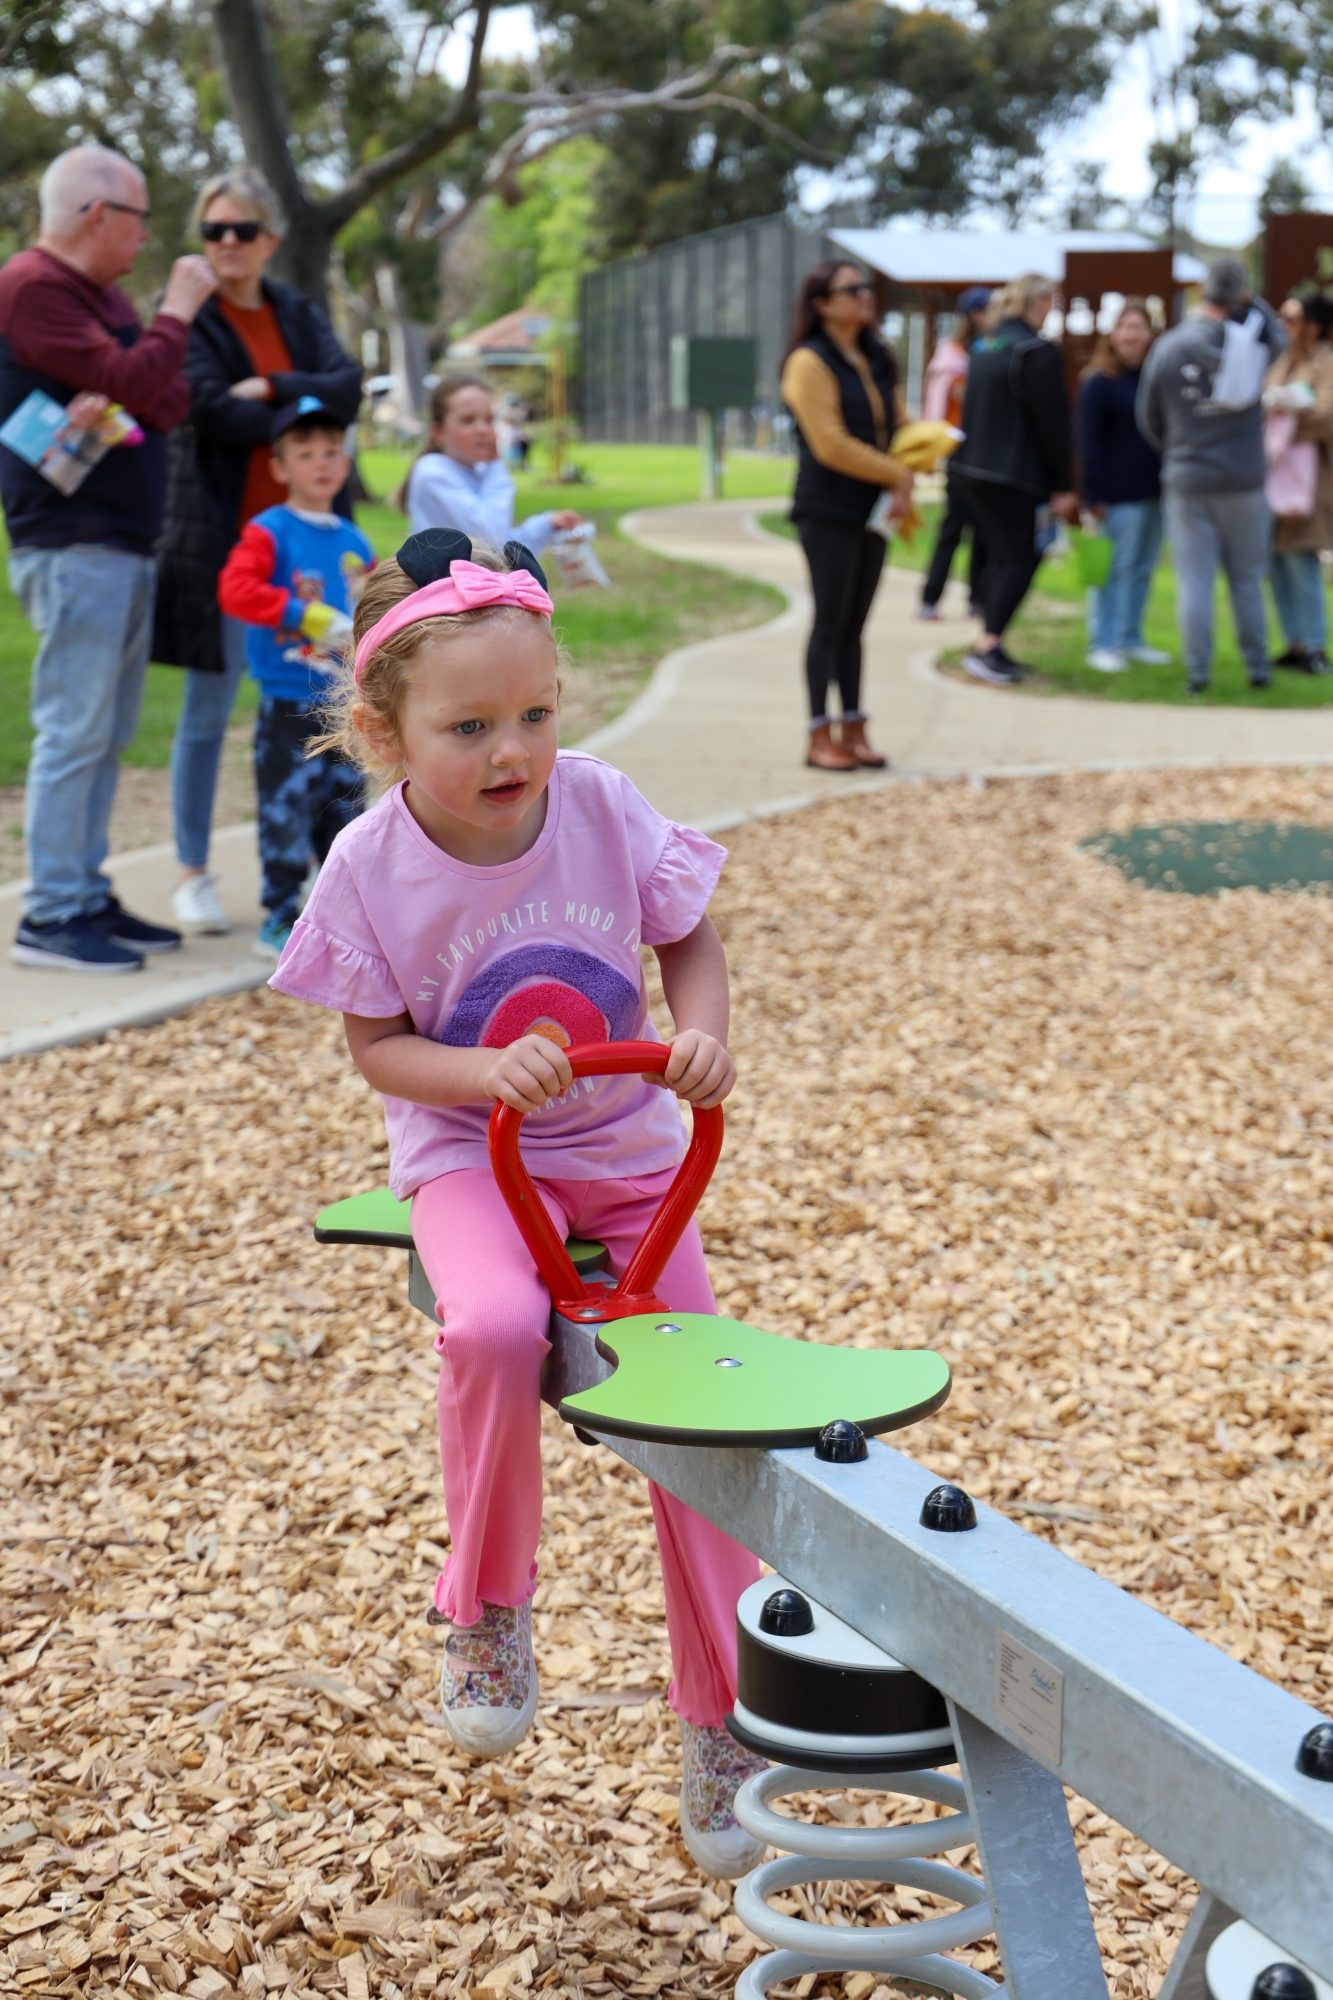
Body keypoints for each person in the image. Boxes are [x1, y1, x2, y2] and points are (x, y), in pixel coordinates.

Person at [267, 525, 766, 1879]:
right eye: (470, 725)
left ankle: (722, 1712)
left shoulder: (599, 805)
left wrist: (701, 1032)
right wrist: (484, 1068)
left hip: (626, 1155)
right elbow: (375, 1048)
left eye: (535, 715)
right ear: (384, 732)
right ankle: (485, 1603)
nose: (512, 753)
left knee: (702, 1411)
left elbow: (688, 937)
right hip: (469, 1155)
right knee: (491, 1328)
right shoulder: (372, 864)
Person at [0, 145, 217, 973]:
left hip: (118, 543)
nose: (145, 235)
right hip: (72, 542)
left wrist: (139, 364)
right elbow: (138, 372)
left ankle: (85, 894)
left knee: (105, 731)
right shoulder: (35, 287)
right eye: (138, 218)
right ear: (98, 215)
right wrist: (178, 312)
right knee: (74, 729)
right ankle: (51, 914)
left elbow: (163, 396)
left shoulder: (97, 299)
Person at [156, 168, 363, 938]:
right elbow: (208, 411)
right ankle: (191, 872)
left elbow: (345, 389)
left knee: (320, 718)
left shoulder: (292, 310)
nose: (228, 245)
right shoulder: (194, 317)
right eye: (214, 232)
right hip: (224, 539)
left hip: (312, 550)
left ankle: (331, 881)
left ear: (270, 239)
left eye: (243, 230)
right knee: (207, 715)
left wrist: (269, 386)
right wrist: (293, 406)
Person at [217, 398, 372, 958]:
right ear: (280, 468)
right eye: (305, 454)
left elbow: (371, 607)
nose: (322, 463)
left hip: (344, 699)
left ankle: (335, 915)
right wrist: (300, 615)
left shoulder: (354, 541)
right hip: (287, 699)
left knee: (345, 805)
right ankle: (280, 915)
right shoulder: (269, 531)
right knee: (286, 805)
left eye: (332, 451)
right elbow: (235, 590)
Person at [779, 260, 913, 771]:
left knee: (855, 624)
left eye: (866, 288)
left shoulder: (878, 355)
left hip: (872, 510)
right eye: (851, 289)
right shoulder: (808, 362)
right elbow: (830, 443)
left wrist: (912, 459)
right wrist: (894, 475)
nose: (864, 296)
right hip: (827, 509)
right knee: (830, 621)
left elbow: (897, 424)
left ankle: (854, 727)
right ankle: (819, 734)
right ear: (822, 304)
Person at [1136, 257, 1286, 695]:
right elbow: (1277, 333)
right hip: (1243, 478)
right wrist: (1250, 300)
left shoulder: (1171, 346)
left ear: (1202, 292)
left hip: (1188, 477)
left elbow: (1148, 416)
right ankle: (1258, 667)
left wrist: (1177, 450)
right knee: (1247, 581)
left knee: (1195, 580)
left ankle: (1198, 673)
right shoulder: (1257, 344)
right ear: (1240, 295)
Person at [949, 274, 1077, 686]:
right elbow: (1053, 424)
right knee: (1020, 558)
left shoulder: (985, 344)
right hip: (1014, 474)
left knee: (999, 556)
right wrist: (1064, 484)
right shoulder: (1035, 351)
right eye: (1051, 301)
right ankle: (988, 645)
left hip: (971, 469)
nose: (1052, 309)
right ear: (1038, 301)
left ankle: (991, 642)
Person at [1077, 300, 1171, 673]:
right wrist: (1093, 496)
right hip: (1115, 497)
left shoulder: (1154, 380)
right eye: (1126, 327)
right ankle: (1103, 641)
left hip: (1153, 492)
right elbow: (1088, 444)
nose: (1133, 335)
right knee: (1112, 570)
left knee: (1143, 568)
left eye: (1140, 327)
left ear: (1151, 334)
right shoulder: (1098, 382)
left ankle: (1131, 638)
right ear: (1113, 334)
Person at [401, 374, 578, 554]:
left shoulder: (479, 472)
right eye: (468, 420)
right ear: (438, 431)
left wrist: (546, 524)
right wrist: (496, 466)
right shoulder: (432, 472)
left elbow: (505, 548)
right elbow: (491, 541)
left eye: (489, 420)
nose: (483, 430)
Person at [1264, 290, 1333, 675]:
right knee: (1276, 561)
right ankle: (1294, 643)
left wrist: (1285, 417)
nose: (1284, 327)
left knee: (1300, 560)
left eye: (1291, 319)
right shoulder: (1285, 360)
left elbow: (1325, 415)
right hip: (1275, 479)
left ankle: (1315, 647)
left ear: (1313, 326)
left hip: (1309, 483)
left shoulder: (1326, 364)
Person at [917, 286, 991, 622]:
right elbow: (955, 399)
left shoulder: (991, 349)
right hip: (961, 452)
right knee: (953, 528)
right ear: (975, 315)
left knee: (983, 530)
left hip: (988, 452)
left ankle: (978, 598)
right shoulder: (955, 356)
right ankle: (930, 599)